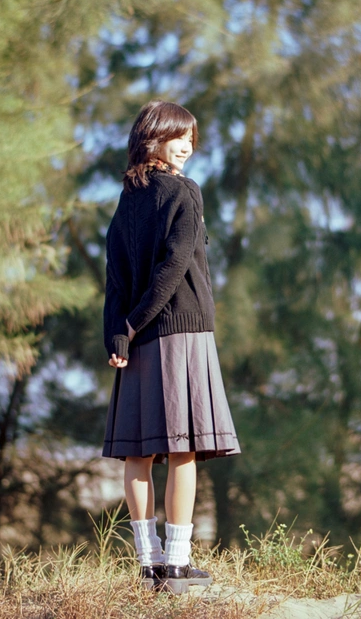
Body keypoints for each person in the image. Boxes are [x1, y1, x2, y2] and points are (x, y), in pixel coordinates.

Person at [102, 100, 240, 594]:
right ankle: (176, 566)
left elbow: (115, 279)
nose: (187, 147)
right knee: (183, 450)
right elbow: (177, 264)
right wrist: (135, 323)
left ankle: (149, 567)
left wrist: (119, 332)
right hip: (182, 332)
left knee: (138, 454)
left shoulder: (126, 202)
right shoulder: (185, 191)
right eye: (178, 136)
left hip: (137, 338)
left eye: (191, 139)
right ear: (152, 138)